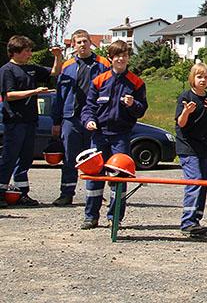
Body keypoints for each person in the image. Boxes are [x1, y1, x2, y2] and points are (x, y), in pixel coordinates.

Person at [80, 39, 148, 228]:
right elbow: (88, 107)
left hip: (121, 136)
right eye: (117, 56)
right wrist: (89, 121)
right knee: (94, 176)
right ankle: (91, 217)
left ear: (128, 58)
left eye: (124, 56)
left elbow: (142, 110)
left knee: (119, 177)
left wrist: (132, 104)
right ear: (110, 58)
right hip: (99, 135)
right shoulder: (99, 80)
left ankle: (115, 217)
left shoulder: (136, 82)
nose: (121, 59)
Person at [0, 35, 63, 207]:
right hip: (14, 121)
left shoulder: (31, 68)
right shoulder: (7, 70)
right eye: (26, 51)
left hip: (30, 121)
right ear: (15, 52)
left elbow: (54, 72)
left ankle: (21, 193)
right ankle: (1, 193)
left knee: (26, 158)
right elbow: (9, 95)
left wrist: (58, 56)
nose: (30, 54)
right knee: (9, 157)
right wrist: (34, 92)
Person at [51, 29, 110, 206]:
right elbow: (59, 95)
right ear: (74, 45)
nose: (82, 45)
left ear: (90, 43)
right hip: (71, 118)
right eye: (79, 42)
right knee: (70, 158)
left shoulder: (103, 64)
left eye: (85, 41)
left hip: (95, 119)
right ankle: (66, 193)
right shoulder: (67, 66)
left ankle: (95, 195)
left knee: (95, 158)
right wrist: (56, 121)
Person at [175, 62, 207, 237]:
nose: (203, 80)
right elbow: (180, 123)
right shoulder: (185, 96)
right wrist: (186, 112)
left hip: (202, 145)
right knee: (195, 180)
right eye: (199, 77)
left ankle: (196, 220)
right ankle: (187, 222)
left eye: (206, 77)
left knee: (203, 183)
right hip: (187, 145)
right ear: (192, 78)